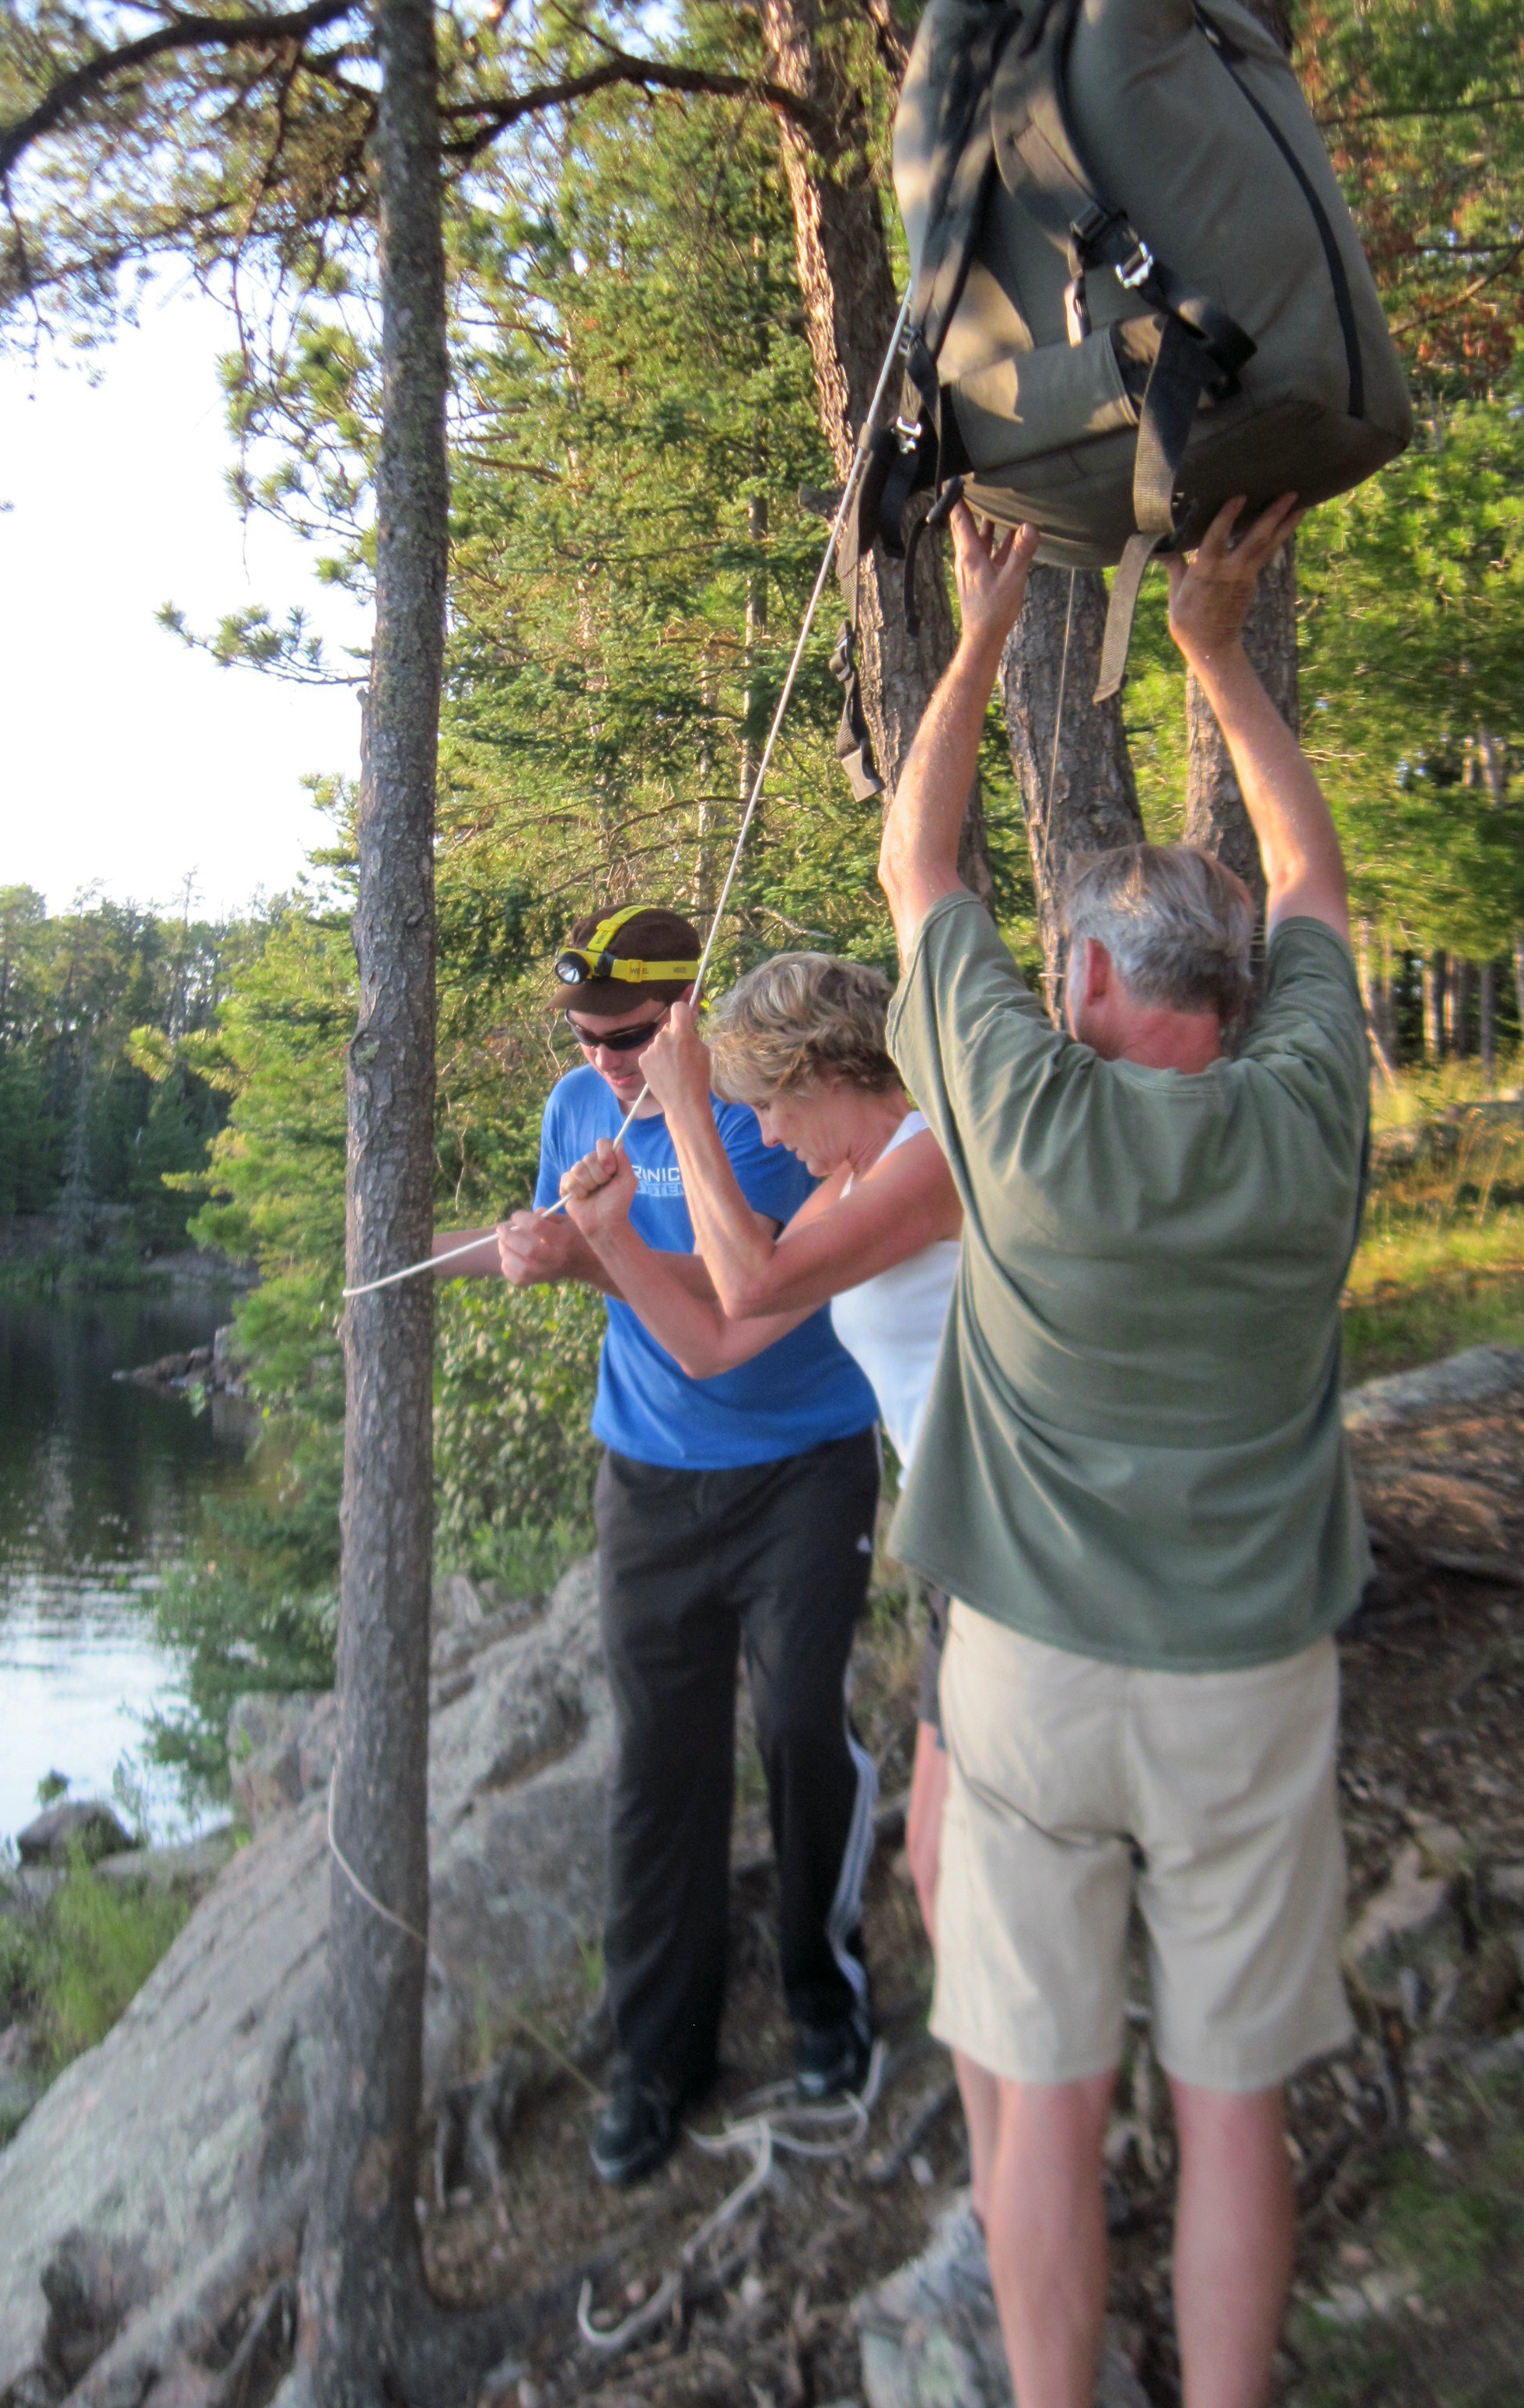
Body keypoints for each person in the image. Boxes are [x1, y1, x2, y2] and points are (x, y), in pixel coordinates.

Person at [874, 495, 1372, 2408]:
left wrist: (982, 630)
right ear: (1236, 1000)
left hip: (1033, 1690)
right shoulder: (1306, 1112)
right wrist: (1216, 653)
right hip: (1250, 1682)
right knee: (1234, 2108)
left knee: (1048, 2106)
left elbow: (921, 861)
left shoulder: (1022, 1116)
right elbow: (1311, 872)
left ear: (1086, 986)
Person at [432, 904, 885, 2187]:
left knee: (798, 1726)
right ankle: (658, 2058)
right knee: (658, 1768)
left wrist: (595, 1252)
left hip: (802, 1464)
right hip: (647, 1474)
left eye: (629, 1036)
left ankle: (826, 1997)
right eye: (584, 1037)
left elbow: (745, 1292)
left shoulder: (769, 1110)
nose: (605, 1061)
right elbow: (561, 1240)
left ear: (684, 1009)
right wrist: (511, 1248)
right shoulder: (578, 1105)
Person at [556, 955, 1004, 2241]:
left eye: (767, 1103)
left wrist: (694, 1109)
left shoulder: (932, 1154)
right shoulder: (850, 1184)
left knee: (903, 1802)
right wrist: (607, 1241)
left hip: (1004, 1540)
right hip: (960, 1548)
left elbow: (747, 1280)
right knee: (940, 1855)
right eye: (740, 1108)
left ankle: (994, 2119)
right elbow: (716, 1332)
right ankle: (992, 2137)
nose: (762, 1129)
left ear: (818, 1070)